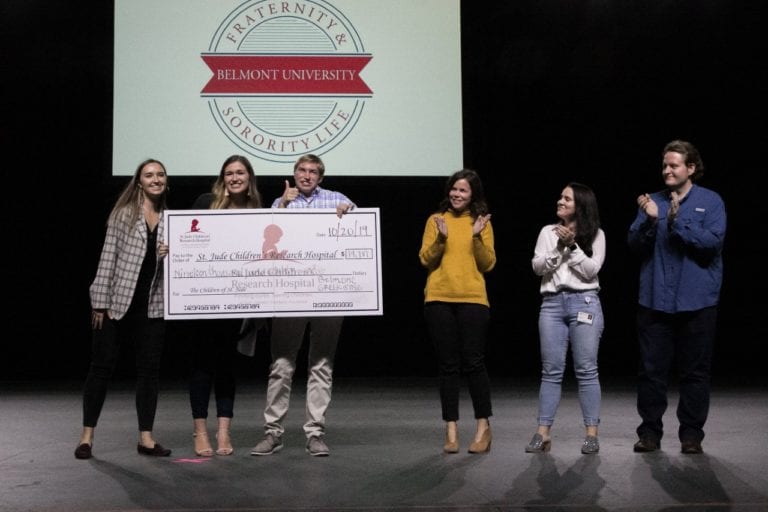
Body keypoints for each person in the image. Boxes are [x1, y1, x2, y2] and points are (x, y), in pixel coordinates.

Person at [250, 153, 355, 457]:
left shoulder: (337, 197)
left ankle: (315, 433)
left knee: (321, 364)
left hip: (327, 293)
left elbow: (361, 229)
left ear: (320, 177)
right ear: (294, 174)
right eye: (301, 171)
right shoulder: (280, 202)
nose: (306, 176)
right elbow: (265, 237)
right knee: (281, 364)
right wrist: (282, 204)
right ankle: (273, 433)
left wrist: (348, 213)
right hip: (290, 294)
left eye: (312, 172)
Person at [628, 140, 726, 455]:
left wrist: (675, 221)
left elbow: (711, 244)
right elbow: (634, 245)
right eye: (665, 165)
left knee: (695, 373)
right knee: (651, 371)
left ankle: (691, 435)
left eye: (674, 165)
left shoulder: (710, 202)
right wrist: (653, 220)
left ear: (691, 168)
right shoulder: (651, 202)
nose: (667, 170)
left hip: (697, 303)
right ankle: (650, 433)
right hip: (655, 301)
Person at [74, 158, 171, 459]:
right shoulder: (124, 214)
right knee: (101, 369)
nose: (156, 179)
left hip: (152, 306)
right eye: (149, 175)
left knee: (149, 373)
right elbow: (108, 258)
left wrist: (169, 254)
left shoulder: (172, 217)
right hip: (116, 303)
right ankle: (87, 437)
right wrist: (99, 302)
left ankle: (146, 438)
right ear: (139, 181)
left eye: (160, 174)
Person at [188, 155, 263, 457]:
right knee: (201, 365)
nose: (234, 178)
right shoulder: (206, 202)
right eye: (229, 173)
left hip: (236, 304)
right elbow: (187, 237)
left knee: (226, 368)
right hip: (203, 301)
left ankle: (223, 433)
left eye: (240, 173)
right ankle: (200, 431)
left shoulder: (256, 210)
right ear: (223, 178)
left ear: (249, 178)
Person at [418, 169, 496, 454]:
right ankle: (451, 430)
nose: (457, 194)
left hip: (473, 300)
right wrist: (440, 238)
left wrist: (476, 236)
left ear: (472, 194)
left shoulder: (482, 222)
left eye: (463, 190)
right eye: (454, 189)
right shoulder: (435, 220)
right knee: (448, 366)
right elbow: (425, 259)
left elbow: (488, 264)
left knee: (474, 363)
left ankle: (483, 428)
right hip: (438, 299)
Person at [526, 183, 606, 455]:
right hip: (551, 304)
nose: (560, 201)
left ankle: (591, 434)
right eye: (560, 196)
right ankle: (543, 432)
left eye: (566, 198)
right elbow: (537, 267)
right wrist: (559, 246)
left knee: (586, 370)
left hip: (584, 302)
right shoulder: (547, 232)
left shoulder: (597, 234)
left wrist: (572, 247)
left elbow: (591, 271)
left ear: (580, 205)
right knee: (551, 371)